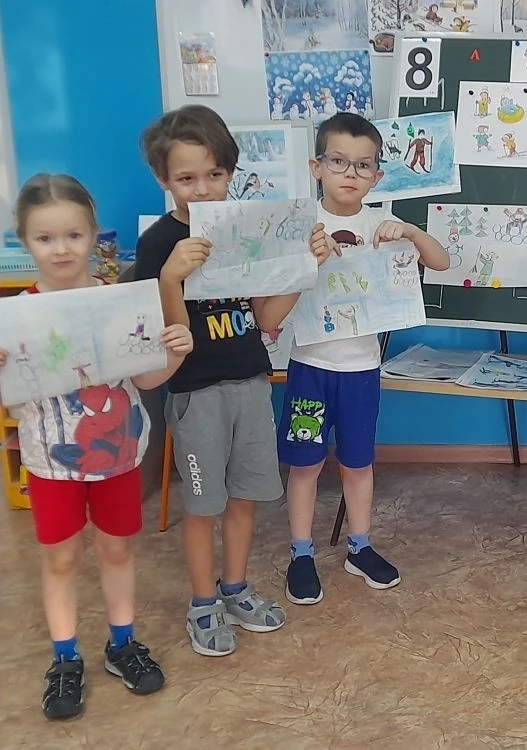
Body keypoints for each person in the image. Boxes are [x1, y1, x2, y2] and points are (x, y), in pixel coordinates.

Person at [134, 104, 330, 656]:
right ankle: (202, 602)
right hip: (195, 393)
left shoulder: (244, 229)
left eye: (214, 174)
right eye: (186, 178)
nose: (202, 189)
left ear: (231, 172)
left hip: (250, 382)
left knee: (245, 497)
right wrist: (171, 277)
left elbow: (266, 318)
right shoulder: (158, 244)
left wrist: (304, 268)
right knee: (203, 506)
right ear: (163, 179)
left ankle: (235, 588)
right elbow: (163, 336)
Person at [0, 174, 193, 718]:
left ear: (93, 235)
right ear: (24, 240)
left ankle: (122, 643)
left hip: (117, 455)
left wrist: (174, 352)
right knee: (61, 558)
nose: (61, 249)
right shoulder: (14, 318)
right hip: (50, 461)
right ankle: (64, 657)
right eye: (45, 238)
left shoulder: (119, 304)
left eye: (73, 235)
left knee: (116, 549)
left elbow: (146, 380)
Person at [279, 112, 448, 605]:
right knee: (305, 465)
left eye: (362, 165)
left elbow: (440, 261)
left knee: (358, 463)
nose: (349, 173)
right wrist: (302, 257)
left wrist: (410, 232)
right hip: (309, 369)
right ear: (316, 167)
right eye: (338, 162)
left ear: (377, 175)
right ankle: (301, 553)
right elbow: (274, 291)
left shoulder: (380, 224)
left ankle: (359, 546)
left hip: (360, 372)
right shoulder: (301, 226)